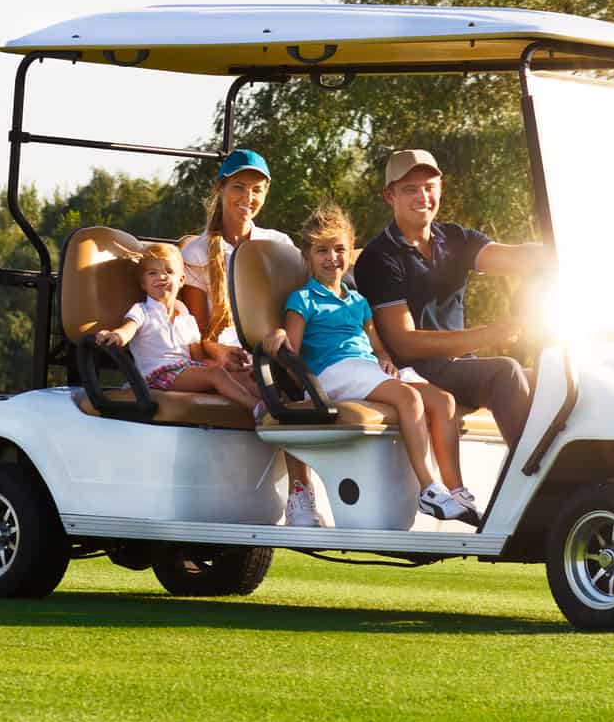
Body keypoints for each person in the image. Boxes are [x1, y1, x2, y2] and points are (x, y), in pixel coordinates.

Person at [266, 203, 480, 524]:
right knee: (408, 398)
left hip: (364, 367)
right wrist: (280, 342)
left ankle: (457, 491)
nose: (332, 258)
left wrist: (385, 360)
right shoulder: (303, 300)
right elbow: (292, 353)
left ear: (350, 252)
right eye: (322, 250)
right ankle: (428, 489)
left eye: (339, 249)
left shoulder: (358, 301)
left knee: (443, 401)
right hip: (333, 371)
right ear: (308, 257)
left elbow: (377, 347)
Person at [352, 148, 552, 449]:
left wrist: (554, 251)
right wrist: (486, 335)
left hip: (459, 366)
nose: (423, 197)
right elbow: (405, 343)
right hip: (417, 371)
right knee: (505, 372)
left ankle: (576, 483)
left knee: (553, 377)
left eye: (429, 187)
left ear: (440, 189)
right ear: (390, 196)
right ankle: (536, 483)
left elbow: (513, 258)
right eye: (410, 190)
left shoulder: (454, 238)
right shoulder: (379, 257)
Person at [177, 148, 319, 526]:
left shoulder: (278, 244)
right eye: (239, 187)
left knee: (308, 380)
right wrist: (221, 353)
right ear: (220, 188)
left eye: (257, 190)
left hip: (272, 347)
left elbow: (291, 309)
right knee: (281, 388)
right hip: (221, 356)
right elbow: (199, 332)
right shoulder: (195, 251)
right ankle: (300, 494)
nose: (248, 198)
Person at [93, 242, 263, 417]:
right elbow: (128, 328)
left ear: (181, 280)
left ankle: (278, 410)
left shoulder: (184, 314)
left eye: (169, 271)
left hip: (185, 370)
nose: (161, 277)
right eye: (153, 273)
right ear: (143, 283)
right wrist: (116, 335)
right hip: (156, 376)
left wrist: (226, 369)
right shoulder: (142, 310)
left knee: (242, 377)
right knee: (216, 375)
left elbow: (198, 358)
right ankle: (258, 408)